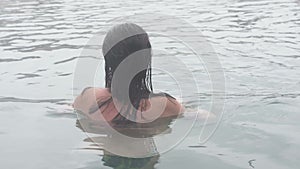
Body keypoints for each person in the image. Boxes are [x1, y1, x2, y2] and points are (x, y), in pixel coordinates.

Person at [73, 23, 184, 123]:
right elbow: (195, 116)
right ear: (145, 59)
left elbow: (63, 109)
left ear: (107, 58)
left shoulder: (88, 98)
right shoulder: (165, 106)